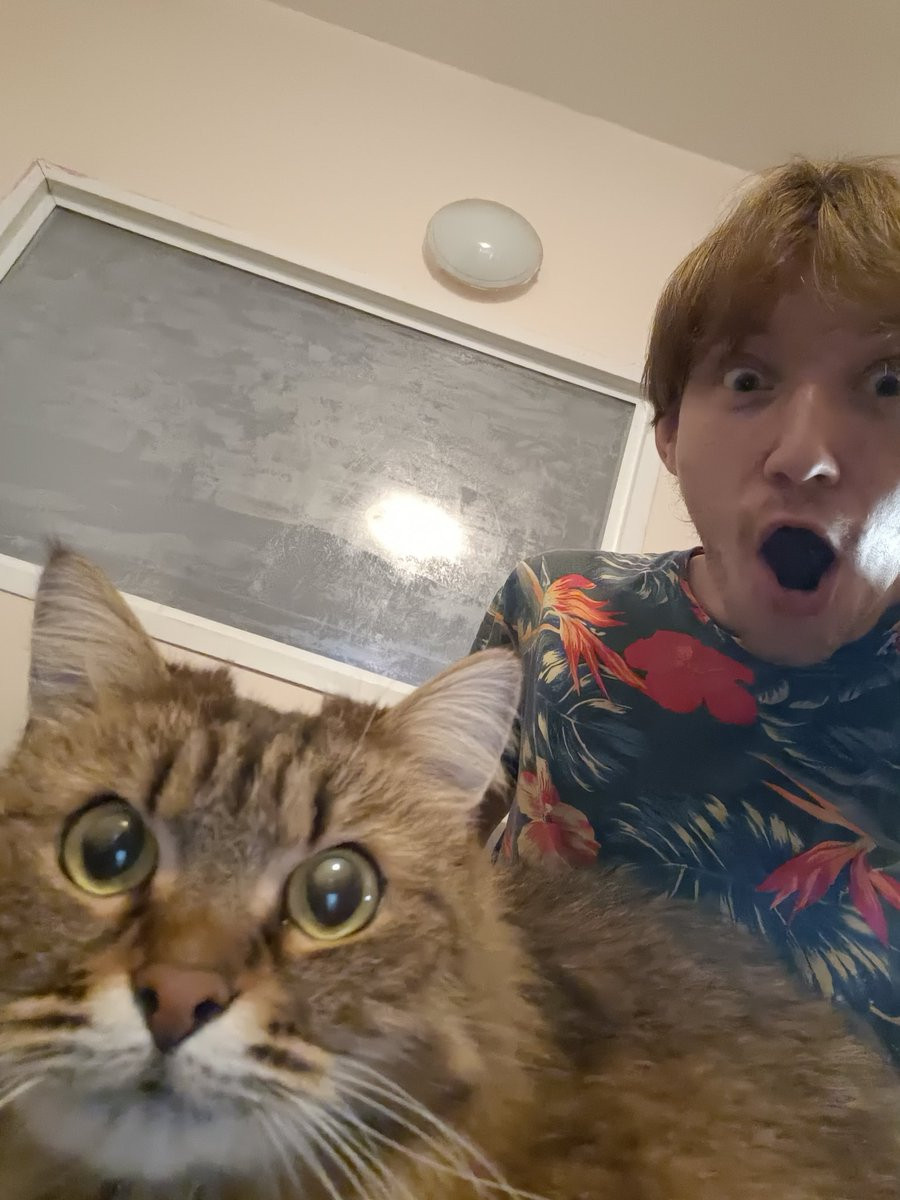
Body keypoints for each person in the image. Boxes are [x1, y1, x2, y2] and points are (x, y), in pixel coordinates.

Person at [472, 157, 900, 1062]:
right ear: (668, 435)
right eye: (747, 380)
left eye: (889, 383)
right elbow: (419, 866)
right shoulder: (556, 611)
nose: (806, 457)